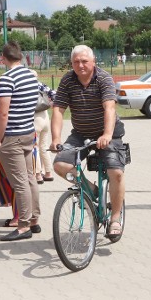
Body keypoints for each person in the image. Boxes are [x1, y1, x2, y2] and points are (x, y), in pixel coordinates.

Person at [51, 45, 127, 235]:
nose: (81, 65)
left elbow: (109, 108)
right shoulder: (67, 80)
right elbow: (58, 109)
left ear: (93, 62)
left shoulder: (103, 78)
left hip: (108, 132)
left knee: (115, 172)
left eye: (85, 61)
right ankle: (92, 190)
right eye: (76, 62)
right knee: (60, 165)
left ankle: (115, 218)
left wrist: (107, 134)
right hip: (80, 133)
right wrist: (55, 139)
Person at [0, 42, 40, 241]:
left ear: (3, 58)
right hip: (28, 132)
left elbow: (3, 112)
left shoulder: (7, 78)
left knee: (20, 183)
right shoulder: (31, 75)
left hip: (12, 136)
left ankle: (23, 226)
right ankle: (34, 220)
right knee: (29, 179)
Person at [29, 70, 55, 185]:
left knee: (34, 147)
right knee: (44, 146)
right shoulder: (42, 85)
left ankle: (38, 174)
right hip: (45, 118)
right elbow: (54, 94)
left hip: (35, 119)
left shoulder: (28, 87)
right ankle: (48, 173)